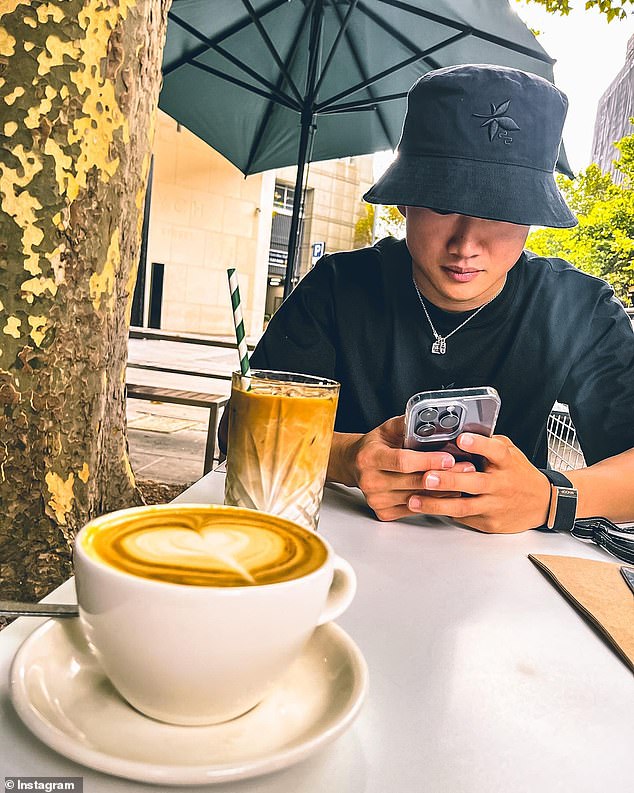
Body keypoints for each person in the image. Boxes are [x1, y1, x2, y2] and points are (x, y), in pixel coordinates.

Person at [220, 64, 634, 534]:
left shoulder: (580, 309)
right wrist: (346, 457)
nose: (466, 244)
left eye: (501, 212)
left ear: (530, 221)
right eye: (442, 204)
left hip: (511, 573)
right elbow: (239, 430)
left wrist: (549, 496)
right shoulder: (338, 287)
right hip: (336, 546)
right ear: (405, 201)